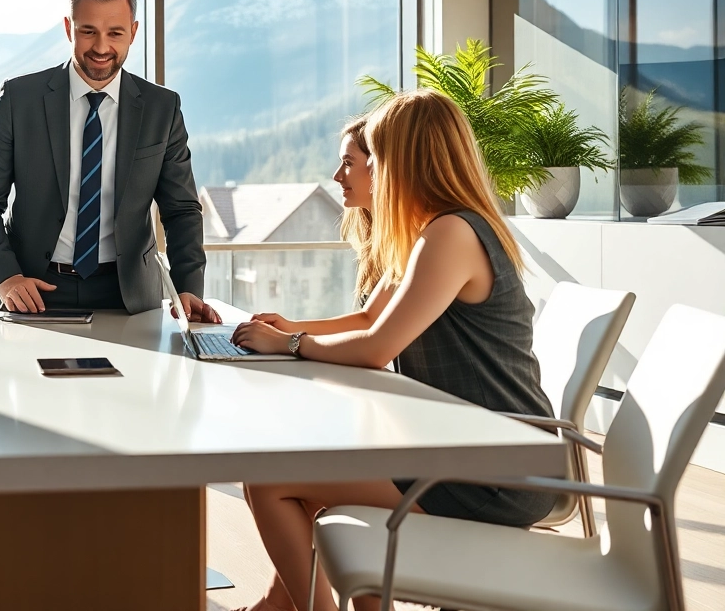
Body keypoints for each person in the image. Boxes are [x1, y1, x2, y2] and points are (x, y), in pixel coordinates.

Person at [228, 90, 557, 611]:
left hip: (496, 473)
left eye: (375, 155)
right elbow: (370, 319)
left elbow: (377, 346)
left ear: (407, 159)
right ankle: (281, 606)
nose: (367, 168)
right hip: (468, 450)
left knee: (268, 481)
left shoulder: (451, 233)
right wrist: (290, 330)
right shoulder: (434, 230)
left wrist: (290, 343)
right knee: (302, 472)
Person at [0, 0, 218, 320]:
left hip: (128, 294)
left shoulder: (162, 108)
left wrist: (188, 286)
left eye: (115, 33)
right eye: (88, 31)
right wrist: (5, 276)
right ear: (69, 28)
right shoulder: (18, 99)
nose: (101, 47)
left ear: (133, 31)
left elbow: (182, 210)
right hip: (33, 289)